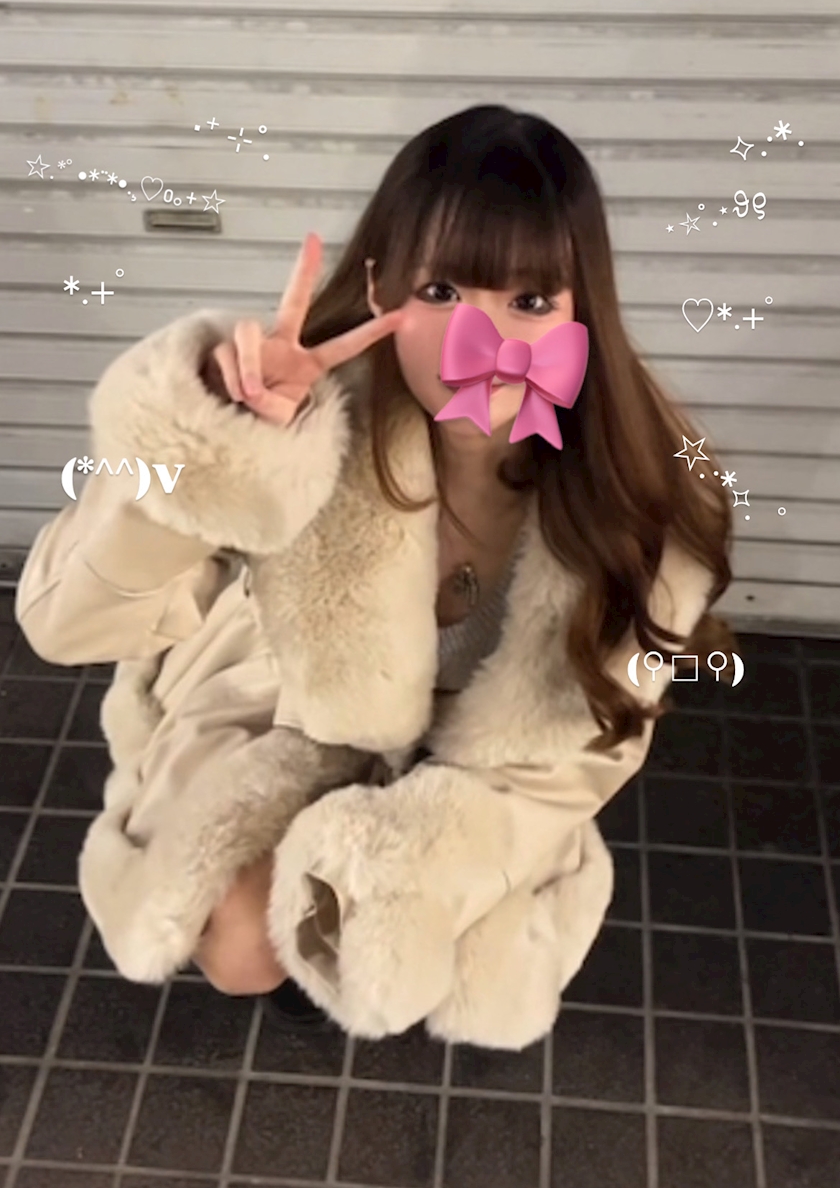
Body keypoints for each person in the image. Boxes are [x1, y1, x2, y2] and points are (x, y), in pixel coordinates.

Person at [15, 104, 735, 1050]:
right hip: (290, 710)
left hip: (483, 772)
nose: (480, 340)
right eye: (439, 289)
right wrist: (210, 454)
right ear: (377, 286)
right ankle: (300, 977)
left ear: (582, 311)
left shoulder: (638, 486)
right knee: (242, 942)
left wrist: (423, 862)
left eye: (530, 301)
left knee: (422, 943)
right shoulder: (306, 419)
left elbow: (592, 750)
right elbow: (62, 625)